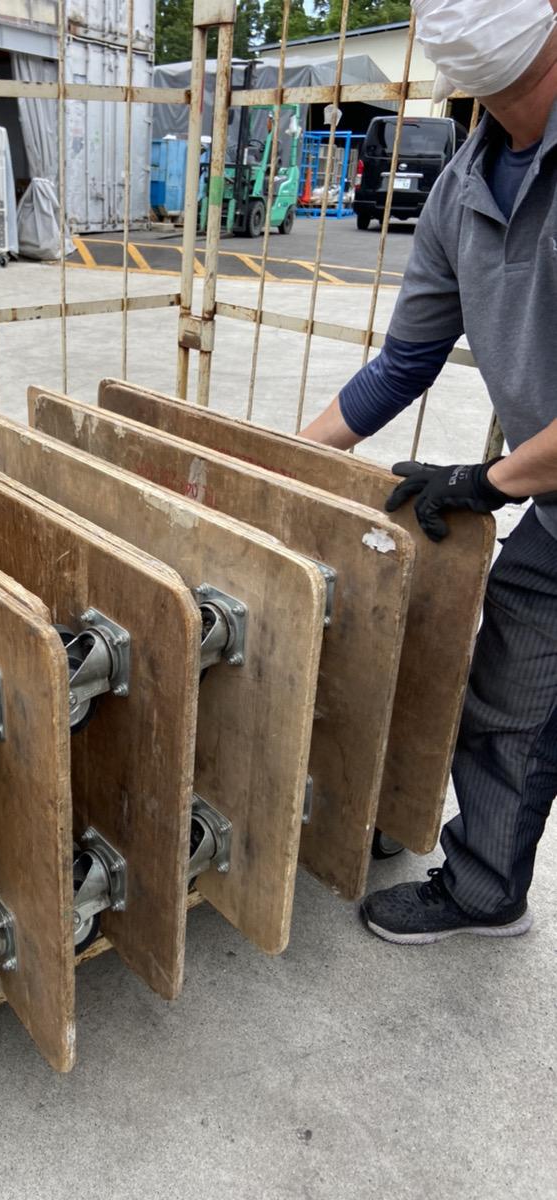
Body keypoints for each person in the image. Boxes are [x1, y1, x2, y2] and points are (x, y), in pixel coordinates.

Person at [300, 0, 557, 944]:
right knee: (510, 692)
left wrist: (489, 482)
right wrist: (285, 460)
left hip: (536, 481)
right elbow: (404, 362)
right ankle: (486, 890)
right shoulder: (463, 187)